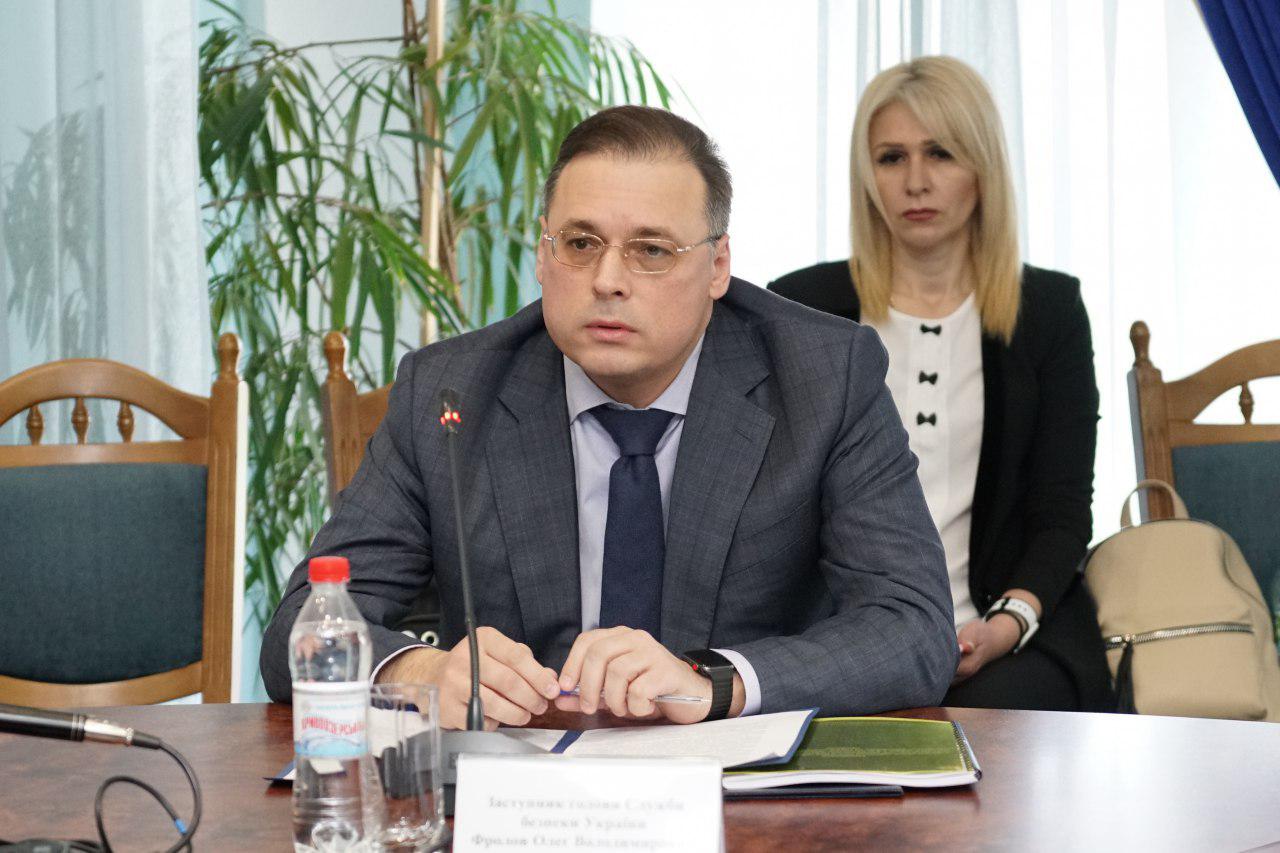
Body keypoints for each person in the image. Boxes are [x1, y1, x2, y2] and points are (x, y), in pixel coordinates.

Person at [261, 105, 958, 729]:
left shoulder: (822, 379)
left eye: (651, 250)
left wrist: (716, 682)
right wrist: (420, 670)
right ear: (544, 255)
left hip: (736, 789)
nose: (607, 280)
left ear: (718, 266)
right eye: (581, 243)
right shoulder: (451, 392)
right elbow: (301, 626)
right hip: (520, 787)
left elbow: (914, 629)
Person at [770, 57, 1113, 712]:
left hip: (1008, 632)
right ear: (867, 175)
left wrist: (1006, 624)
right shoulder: (801, 307)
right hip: (836, 637)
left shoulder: (1049, 312)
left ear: (983, 167)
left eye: (941, 154)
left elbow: (1062, 511)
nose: (916, 181)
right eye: (891, 158)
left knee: (999, 723)